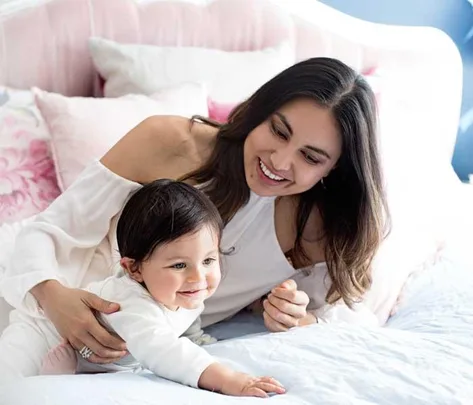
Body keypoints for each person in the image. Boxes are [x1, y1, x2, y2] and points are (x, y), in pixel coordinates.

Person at [1, 57, 389, 369]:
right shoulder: (171, 142)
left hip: (135, 350)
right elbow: (48, 231)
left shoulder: (320, 229)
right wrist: (54, 298)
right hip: (41, 295)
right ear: (260, 111)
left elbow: (349, 318)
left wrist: (296, 316)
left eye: (311, 157)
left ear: (334, 168)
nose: (280, 161)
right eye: (278, 131)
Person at [0, 179, 286, 397]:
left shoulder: (184, 292)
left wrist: (197, 339)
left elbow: (185, 320)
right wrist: (230, 380)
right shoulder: (131, 303)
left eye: (209, 260)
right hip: (41, 334)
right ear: (134, 269)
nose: (198, 277)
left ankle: (59, 377)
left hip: (92, 361)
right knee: (6, 383)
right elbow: (165, 351)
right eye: (179, 265)